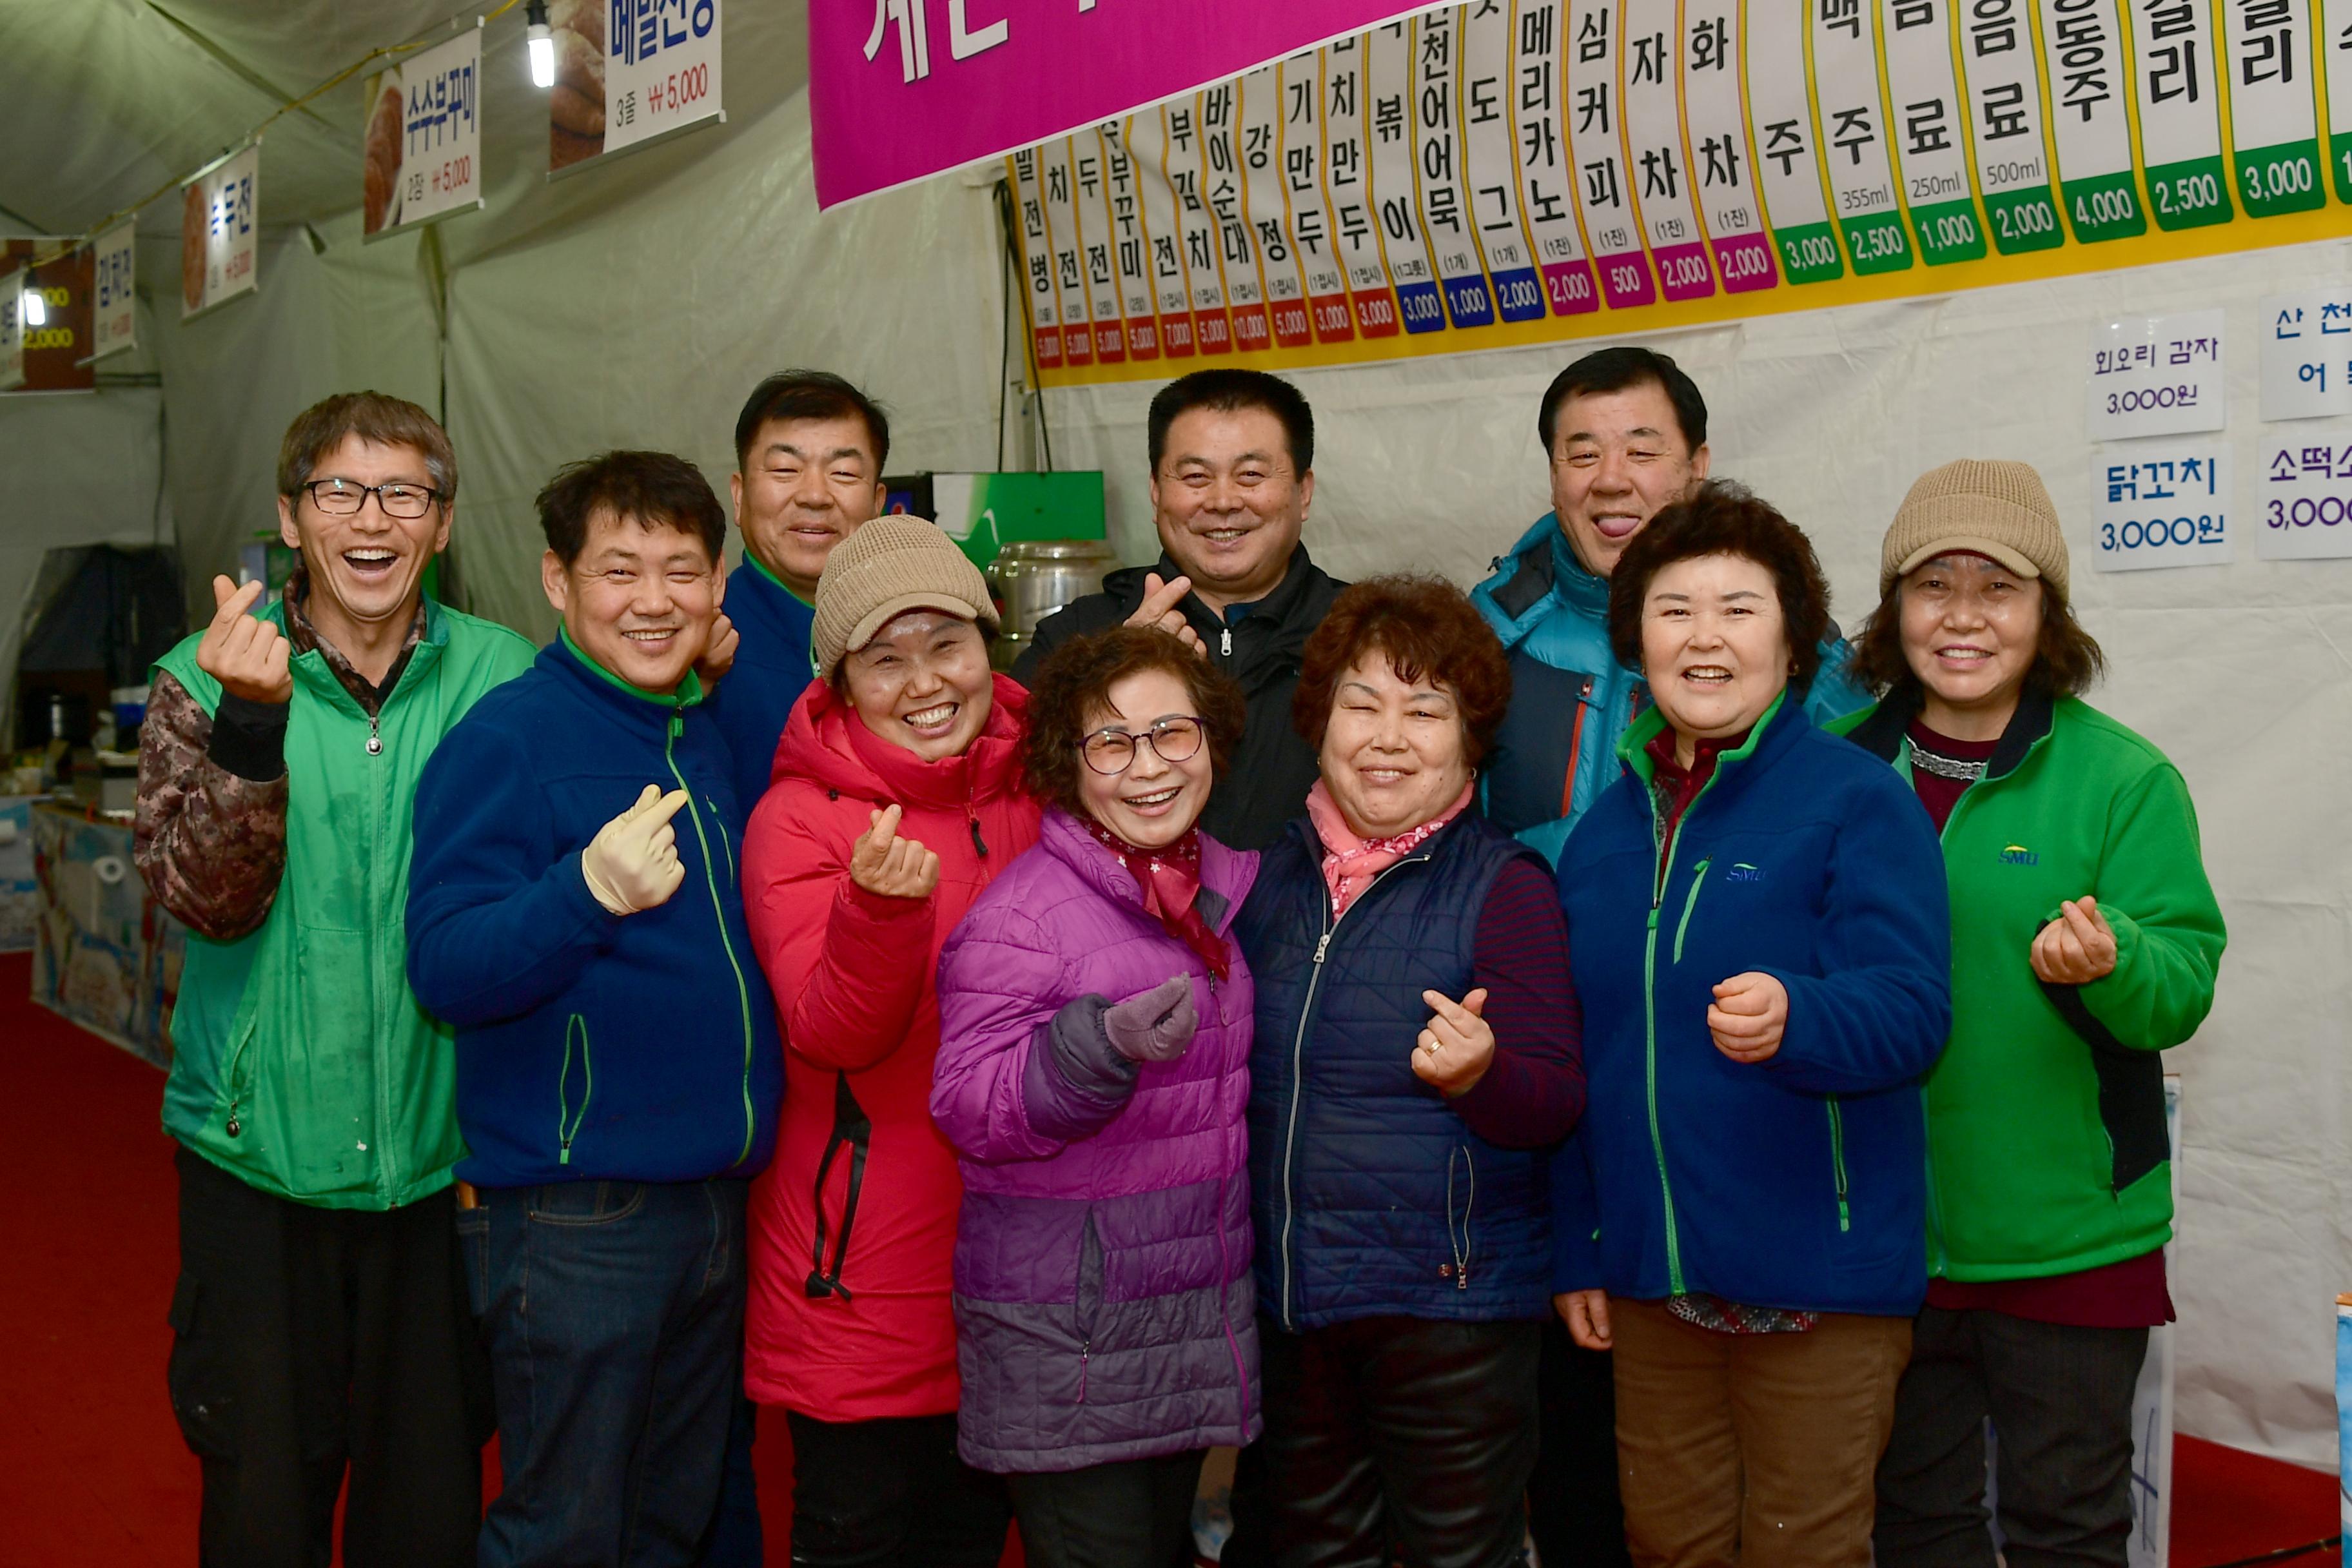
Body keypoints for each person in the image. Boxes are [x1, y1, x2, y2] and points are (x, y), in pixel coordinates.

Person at [1471, 349, 1870, 1563]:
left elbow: (1875, 951)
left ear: (1696, 463)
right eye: (1580, 450)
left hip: (1755, 1147)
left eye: (1641, 446)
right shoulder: (1486, 641)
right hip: (1552, 1106)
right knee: (1597, 1476)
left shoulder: (1813, 672)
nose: (1610, 476)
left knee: (1781, 1493)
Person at [134, 391, 535, 1567]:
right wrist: (251, 729)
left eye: (403, 492)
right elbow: (204, 900)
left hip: (440, 1164)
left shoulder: (505, 680)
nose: (371, 519)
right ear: (291, 516)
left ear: (443, 523)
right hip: (256, 1159)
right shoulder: (197, 680)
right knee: (263, 1504)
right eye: (338, 492)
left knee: (429, 1505)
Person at [1551, 482, 1952, 1568]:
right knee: (1669, 1548)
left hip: (1815, 1278)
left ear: (1791, 637)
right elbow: (1583, 1058)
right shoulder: (1600, 836)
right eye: (1674, 608)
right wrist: (1582, 1237)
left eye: (1738, 607)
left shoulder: (1855, 797)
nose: (1705, 637)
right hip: (1649, 1279)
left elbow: (1914, 1011)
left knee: (1802, 1552)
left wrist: (1799, 1014)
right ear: (1636, 638)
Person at [1833, 462, 2226, 1568]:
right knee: (1914, 1526)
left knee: (2066, 1531)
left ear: (2044, 612)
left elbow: (2182, 977)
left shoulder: (2121, 778)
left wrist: (2111, 959)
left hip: (2070, 1240)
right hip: (1882, 1240)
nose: (1961, 616)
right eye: (1931, 585)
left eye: (1996, 587)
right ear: (1890, 609)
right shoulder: (1831, 769)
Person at [404, 451, 783, 1566]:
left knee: (668, 1516)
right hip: (580, 1213)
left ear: (719, 585)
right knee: (566, 1526)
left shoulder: (692, 729)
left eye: (682, 569)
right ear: (557, 582)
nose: (655, 599)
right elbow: (444, 963)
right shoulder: (506, 740)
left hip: (711, 1195)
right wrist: (583, 893)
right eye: (620, 570)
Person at [1230, 575, 1585, 1567]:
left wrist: (1483, 1074)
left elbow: (1553, 1099)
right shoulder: (1271, 877)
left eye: (1424, 711)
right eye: (1362, 704)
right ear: (1320, 720)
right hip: (1296, 1309)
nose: (1388, 738)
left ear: (1470, 740)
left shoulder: (1506, 886)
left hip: (1450, 1318)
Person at [740, 515, 1042, 1567]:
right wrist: (875, 915)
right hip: (861, 1268)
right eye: (884, 657)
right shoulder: (801, 818)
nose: (924, 682)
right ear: (837, 683)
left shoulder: (1048, 777)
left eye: (946, 644)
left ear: (986, 644)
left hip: (1023, 1262)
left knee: (974, 1534)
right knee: (860, 1535)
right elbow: (827, 1031)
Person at [931, 626, 1259, 1568]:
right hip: (1069, 1346)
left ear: (1212, 742)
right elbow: (968, 1106)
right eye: (1111, 743)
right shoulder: (1026, 917)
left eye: (1172, 735)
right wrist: (1095, 1046)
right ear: (1066, 766)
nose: (1147, 767)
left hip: (1175, 1330)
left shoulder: (1217, 894)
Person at [1015, 367, 1345, 851]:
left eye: (1251, 475)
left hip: (1314, 922)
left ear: (1304, 491)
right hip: (1124, 923)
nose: (1224, 501)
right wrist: (1116, 667)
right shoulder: (1077, 637)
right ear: (1155, 492)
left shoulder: (1362, 636)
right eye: (1195, 477)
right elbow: (1006, 788)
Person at [705, 369, 891, 811]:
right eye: (786, 469)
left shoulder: (910, 634)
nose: (814, 496)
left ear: (879, 504)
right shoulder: (696, 644)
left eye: (844, 473)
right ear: (739, 496)